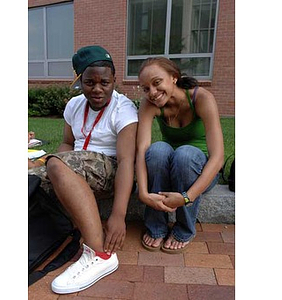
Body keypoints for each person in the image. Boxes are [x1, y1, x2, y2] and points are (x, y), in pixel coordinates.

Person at [29, 45, 138, 294]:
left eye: (105, 82)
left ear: (113, 80)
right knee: (30, 176)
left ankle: (99, 254)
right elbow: (68, 143)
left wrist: (119, 215)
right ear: (80, 81)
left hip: (108, 169)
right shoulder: (74, 105)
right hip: (74, 166)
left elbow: (125, 161)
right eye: (90, 82)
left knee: (54, 163)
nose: (98, 89)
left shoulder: (123, 109)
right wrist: (48, 167)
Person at [136, 57, 224, 253]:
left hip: (200, 172)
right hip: (170, 169)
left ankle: (184, 229)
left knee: (185, 154)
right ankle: (156, 227)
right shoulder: (149, 105)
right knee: (157, 149)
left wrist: (187, 197)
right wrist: (143, 193)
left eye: (157, 83)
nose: (152, 93)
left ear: (174, 78)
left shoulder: (201, 98)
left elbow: (218, 157)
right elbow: (142, 150)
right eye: (145, 88)